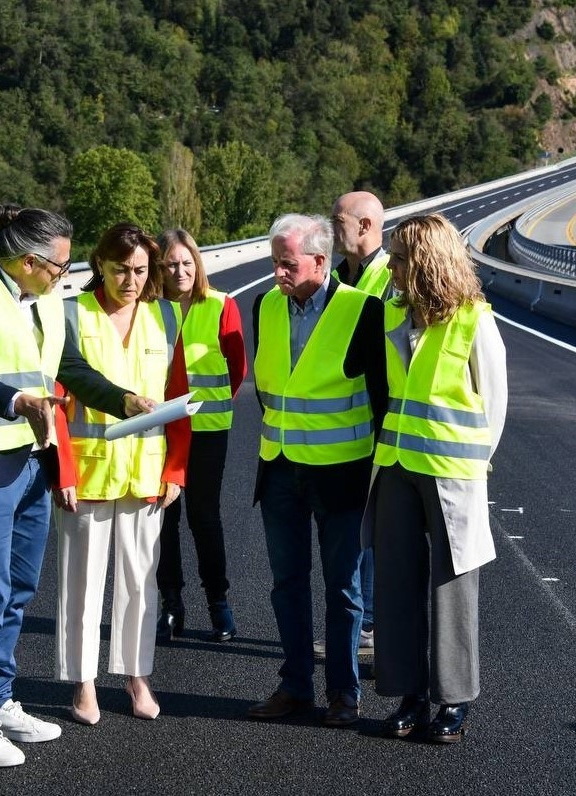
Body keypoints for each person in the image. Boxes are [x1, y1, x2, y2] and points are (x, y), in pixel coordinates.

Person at [0, 205, 152, 768]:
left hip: (32, 464)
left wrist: (121, 398)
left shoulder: (47, 302)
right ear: (29, 261)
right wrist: (15, 401)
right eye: (60, 265)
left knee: (19, 590)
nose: (65, 274)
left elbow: (70, 369)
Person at [363, 213, 508, 743]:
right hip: (398, 468)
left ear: (426, 262)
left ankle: (453, 700)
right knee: (397, 587)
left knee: (452, 589)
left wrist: (469, 467)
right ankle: (408, 694)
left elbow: (493, 410)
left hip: (451, 477)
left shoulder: (475, 320)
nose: (392, 267)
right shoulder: (394, 317)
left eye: (400, 258)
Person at [247, 213, 387, 727]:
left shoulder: (361, 310)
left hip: (341, 474)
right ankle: (295, 687)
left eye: (287, 264)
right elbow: (269, 388)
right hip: (280, 469)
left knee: (344, 588)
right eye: (274, 263)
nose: (278, 274)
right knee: (287, 583)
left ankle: (344, 694)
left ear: (320, 261)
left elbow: (381, 398)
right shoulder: (265, 306)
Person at [53, 222, 190, 725]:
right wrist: (61, 471)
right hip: (87, 475)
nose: (130, 281)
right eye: (120, 271)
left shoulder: (166, 318)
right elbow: (59, 399)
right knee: (82, 583)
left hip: (146, 472)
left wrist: (176, 468)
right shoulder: (72, 314)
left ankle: (136, 677)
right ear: (99, 266)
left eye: (139, 271)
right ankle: (83, 682)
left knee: (140, 581)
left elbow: (178, 399)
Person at [155, 229, 247, 643]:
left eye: (187, 263)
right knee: (163, 520)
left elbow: (237, 368)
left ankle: (218, 603)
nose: (180, 271)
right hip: (159, 431)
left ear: (198, 264)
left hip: (208, 429)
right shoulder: (148, 309)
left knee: (203, 517)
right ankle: (171, 605)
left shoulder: (221, 305)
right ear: (161, 267)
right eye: (172, 264)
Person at [313, 190, 390, 663]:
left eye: (336, 218)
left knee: (378, 532)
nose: (331, 225)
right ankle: (362, 624)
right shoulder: (339, 277)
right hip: (346, 423)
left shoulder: (390, 277)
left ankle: (373, 627)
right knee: (355, 533)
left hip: (382, 420)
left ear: (363, 226)